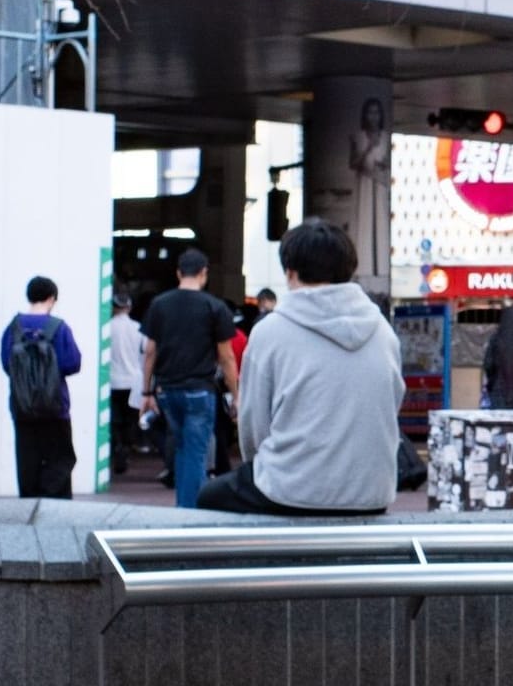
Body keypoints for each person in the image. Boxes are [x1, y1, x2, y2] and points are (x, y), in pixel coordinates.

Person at [198, 218, 404, 516]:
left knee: (208, 497)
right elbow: (390, 405)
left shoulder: (271, 331)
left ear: (290, 271)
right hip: (371, 493)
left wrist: (264, 465)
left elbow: (254, 425)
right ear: (348, 270)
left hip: (291, 490)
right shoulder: (383, 332)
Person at [139, 249, 239, 508]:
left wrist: (146, 393)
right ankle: (189, 511)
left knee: (183, 448)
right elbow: (226, 357)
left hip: (166, 391)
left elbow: (150, 351)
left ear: (178, 273)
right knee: (196, 452)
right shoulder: (214, 307)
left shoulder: (160, 304)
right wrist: (235, 394)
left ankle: (183, 506)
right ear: (204, 273)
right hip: (199, 390)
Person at [0, 276, 84, 498]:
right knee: (62, 457)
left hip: (23, 406)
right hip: (55, 406)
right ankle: (53, 500)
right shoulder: (59, 327)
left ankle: (30, 503)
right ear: (51, 298)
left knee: (27, 459)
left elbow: (7, 363)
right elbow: (72, 363)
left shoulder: (14, 327)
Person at [105, 291, 145, 475]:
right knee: (131, 420)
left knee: (115, 420)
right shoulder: (138, 328)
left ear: (113, 307)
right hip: (134, 381)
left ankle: (117, 447)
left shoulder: (106, 328)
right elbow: (146, 354)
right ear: (129, 307)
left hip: (112, 380)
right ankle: (126, 448)